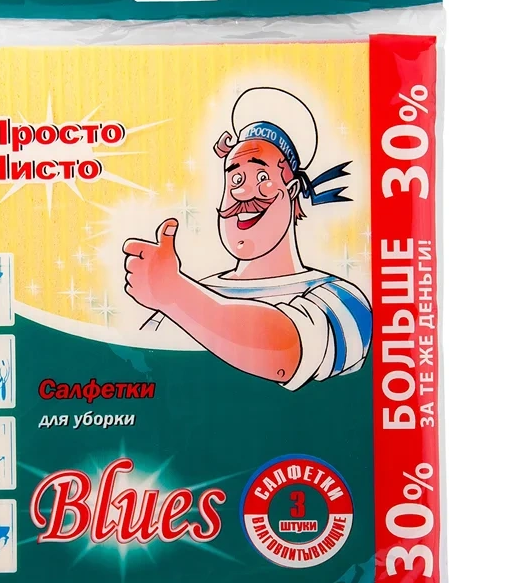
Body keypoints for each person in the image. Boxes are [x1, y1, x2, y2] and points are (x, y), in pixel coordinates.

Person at [123, 87, 372, 391]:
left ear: (292, 190)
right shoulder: (185, 300)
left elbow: (286, 352)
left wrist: (174, 294)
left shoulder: (341, 299)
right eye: (235, 180)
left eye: (262, 178)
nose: (242, 193)